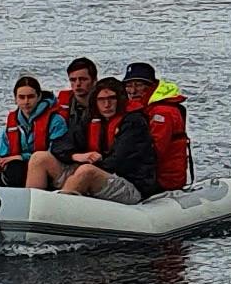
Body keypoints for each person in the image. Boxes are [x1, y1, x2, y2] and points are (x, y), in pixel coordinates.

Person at [60, 77, 161, 205]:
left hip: (132, 186)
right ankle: (32, 215)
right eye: (101, 100)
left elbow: (118, 161)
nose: (106, 105)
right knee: (40, 158)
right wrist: (75, 156)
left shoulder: (134, 123)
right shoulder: (91, 120)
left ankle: (60, 212)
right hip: (100, 174)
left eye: (111, 99)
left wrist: (84, 167)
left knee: (86, 171)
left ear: (120, 100)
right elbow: (60, 145)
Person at [0, 74, 81, 188]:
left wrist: (23, 157)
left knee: (16, 171)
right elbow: (4, 154)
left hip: (46, 167)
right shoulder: (12, 123)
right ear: (15, 99)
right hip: (16, 167)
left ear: (39, 96)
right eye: (21, 97)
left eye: (30, 96)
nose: (26, 101)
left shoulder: (55, 121)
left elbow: (57, 153)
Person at [122, 60, 191, 189]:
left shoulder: (162, 113)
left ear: (151, 86)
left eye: (138, 85)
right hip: (151, 175)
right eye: (129, 85)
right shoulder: (146, 108)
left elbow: (155, 151)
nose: (132, 91)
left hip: (163, 180)